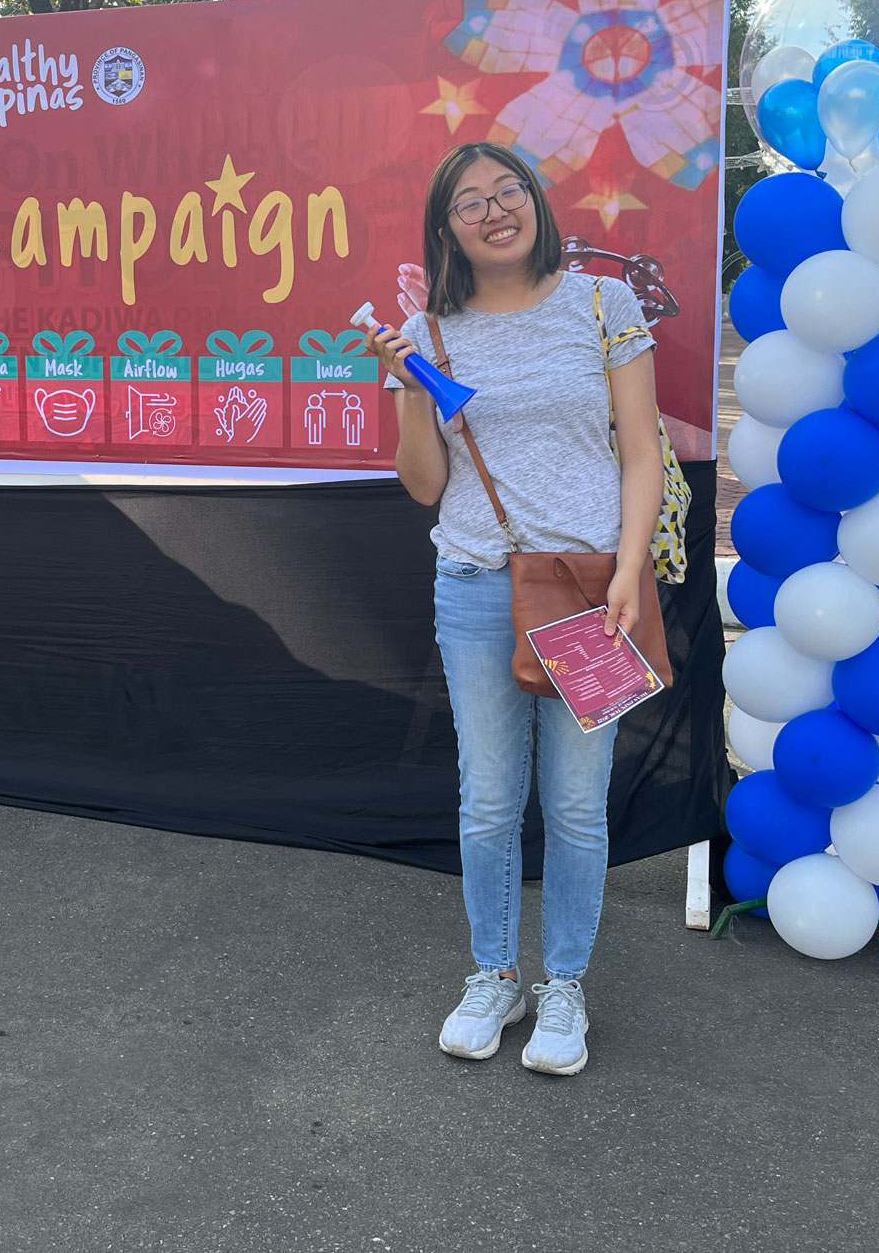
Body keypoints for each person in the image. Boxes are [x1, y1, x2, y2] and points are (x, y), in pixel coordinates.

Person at [364, 141, 663, 1077]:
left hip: (585, 589)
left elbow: (643, 451)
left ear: (534, 200)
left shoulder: (601, 303)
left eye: (507, 191)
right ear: (445, 229)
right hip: (474, 585)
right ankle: (495, 974)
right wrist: (412, 393)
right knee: (489, 801)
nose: (494, 211)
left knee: (575, 805)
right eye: (468, 204)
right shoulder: (429, 329)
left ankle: (563, 984)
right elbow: (422, 485)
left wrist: (628, 566)